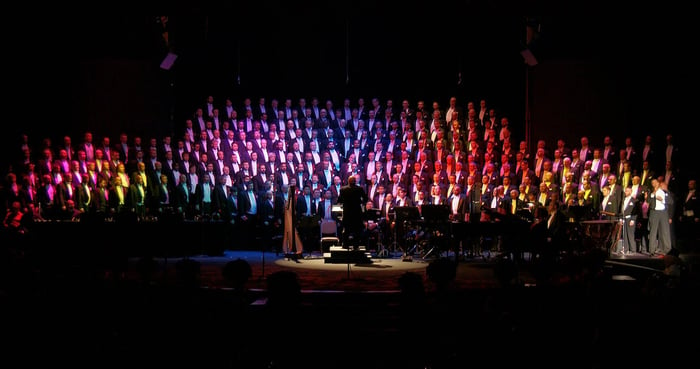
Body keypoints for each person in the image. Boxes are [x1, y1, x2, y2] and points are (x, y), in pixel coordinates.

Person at [336, 174, 368, 249]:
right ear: (355, 181)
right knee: (357, 230)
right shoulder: (359, 189)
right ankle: (356, 245)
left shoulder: (343, 189)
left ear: (348, 181)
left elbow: (339, 200)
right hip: (357, 212)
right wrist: (360, 202)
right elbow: (365, 199)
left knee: (346, 229)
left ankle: (345, 245)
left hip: (347, 212)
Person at [648, 178, 673, 256]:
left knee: (665, 231)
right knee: (653, 231)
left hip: (663, 213)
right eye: (652, 183)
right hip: (654, 213)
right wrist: (653, 194)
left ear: (658, 183)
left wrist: (662, 200)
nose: (654, 184)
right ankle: (652, 250)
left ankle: (667, 250)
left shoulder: (664, 192)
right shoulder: (651, 193)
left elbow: (671, 201)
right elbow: (649, 202)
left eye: (655, 182)